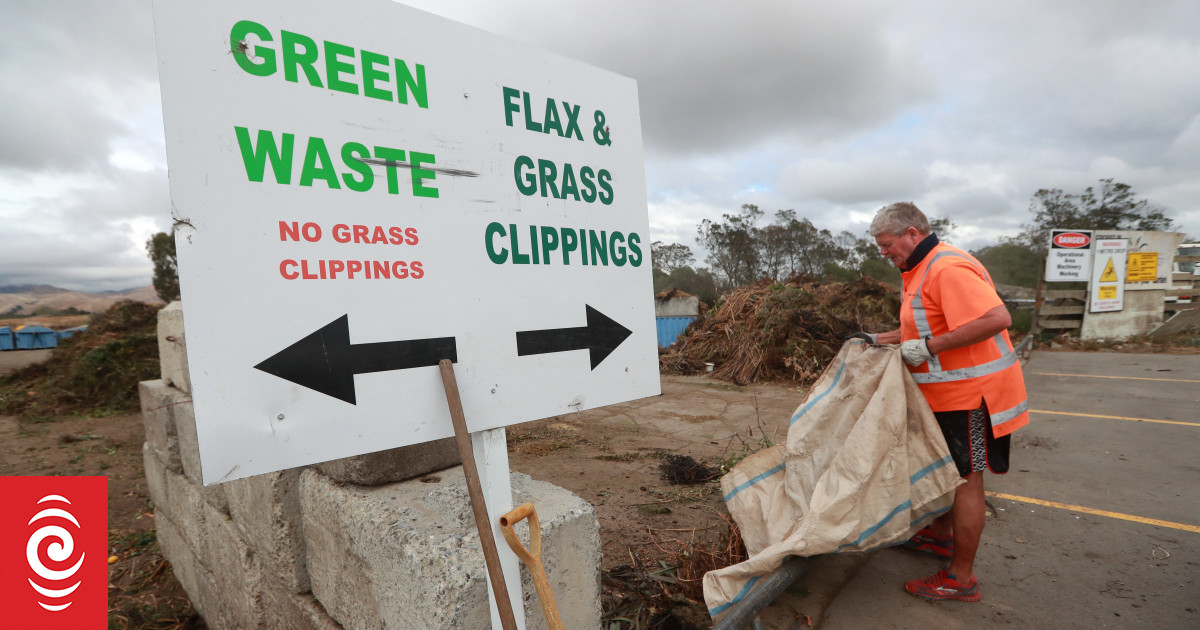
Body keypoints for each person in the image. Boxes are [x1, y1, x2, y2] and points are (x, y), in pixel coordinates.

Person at [856, 202, 1029, 602]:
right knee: (949, 472)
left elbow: (996, 319)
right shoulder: (918, 270)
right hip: (949, 396)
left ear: (912, 233)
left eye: (887, 244)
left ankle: (961, 578)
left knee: (967, 480)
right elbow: (923, 327)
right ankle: (939, 537)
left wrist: (930, 348)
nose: (884, 252)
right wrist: (876, 340)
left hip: (973, 396)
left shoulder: (946, 268)